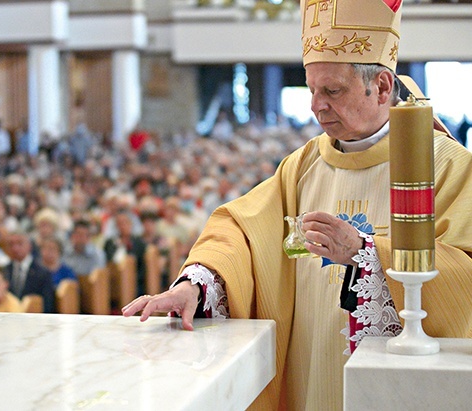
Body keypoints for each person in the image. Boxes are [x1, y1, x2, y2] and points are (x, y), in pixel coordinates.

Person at [122, 1, 472, 410]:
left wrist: (366, 253)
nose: (316, 105)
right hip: (309, 375)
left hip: (398, 387)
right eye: (312, 90)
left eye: (332, 91)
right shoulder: (304, 164)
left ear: (380, 86)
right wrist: (195, 286)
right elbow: (243, 234)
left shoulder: (445, 165)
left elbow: (463, 274)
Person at [4, 230, 55, 313]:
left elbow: (47, 306)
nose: (15, 248)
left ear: (29, 246)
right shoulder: (5, 270)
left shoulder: (42, 273)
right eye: (11, 244)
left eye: (20, 243)